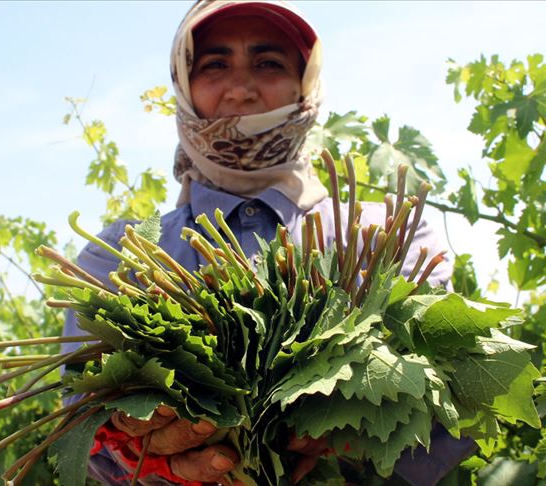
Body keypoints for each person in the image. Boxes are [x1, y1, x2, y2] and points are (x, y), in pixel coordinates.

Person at [62, 1, 475, 484]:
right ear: (183, 83)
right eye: (215, 64)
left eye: (269, 63)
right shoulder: (118, 259)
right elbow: (86, 436)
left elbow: (444, 410)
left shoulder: (394, 237)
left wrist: (348, 437)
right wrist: (146, 459)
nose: (242, 88)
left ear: (306, 82)